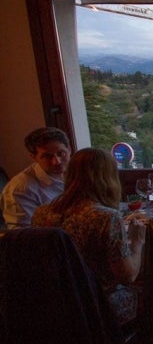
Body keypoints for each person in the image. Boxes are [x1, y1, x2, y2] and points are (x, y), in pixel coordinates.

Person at [31, 148, 145, 325]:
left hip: (57, 305)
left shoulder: (41, 213)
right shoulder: (106, 217)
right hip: (99, 306)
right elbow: (127, 276)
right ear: (108, 177)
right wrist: (137, 241)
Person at [1, 127, 71, 229]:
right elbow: (25, 235)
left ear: (69, 149)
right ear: (34, 157)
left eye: (61, 153)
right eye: (47, 156)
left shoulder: (79, 170)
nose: (57, 161)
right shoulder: (21, 189)